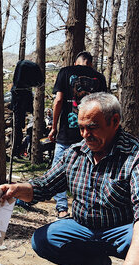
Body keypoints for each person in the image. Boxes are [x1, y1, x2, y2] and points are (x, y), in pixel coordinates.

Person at [0, 92, 139, 265]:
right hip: (84, 228)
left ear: (115, 122)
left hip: (122, 231)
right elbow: (43, 186)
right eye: (81, 128)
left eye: (92, 127)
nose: (85, 135)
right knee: (43, 239)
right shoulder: (75, 153)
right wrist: (18, 189)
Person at [48, 51, 107, 218]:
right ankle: (86, 209)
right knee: (90, 172)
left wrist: (54, 127)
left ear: (76, 62)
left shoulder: (65, 72)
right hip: (91, 135)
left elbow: (59, 100)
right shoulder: (99, 78)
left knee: (57, 171)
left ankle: (62, 209)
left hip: (68, 131)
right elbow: (104, 106)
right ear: (90, 63)